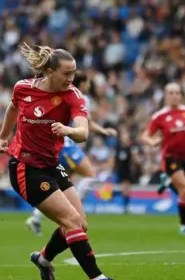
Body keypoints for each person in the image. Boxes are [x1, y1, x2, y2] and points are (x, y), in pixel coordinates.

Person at [0, 43, 121, 280]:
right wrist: (3, 137)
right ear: (50, 72)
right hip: (25, 168)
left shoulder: (73, 96)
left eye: (74, 73)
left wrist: (68, 130)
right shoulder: (23, 88)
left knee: (80, 224)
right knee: (72, 221)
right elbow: (12, 107)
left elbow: (83, 132)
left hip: (52, 166)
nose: (71, 78)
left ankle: (43, 259)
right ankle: (97, 279)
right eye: (66, 73)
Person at [24, 71, 117, 236]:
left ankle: (36, 218)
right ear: (82, 83)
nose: (89, 85)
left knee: (63, 183)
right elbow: (84, 121)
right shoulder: (78, 96)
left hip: (59, 145)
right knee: (90, 174)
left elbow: (86, 122)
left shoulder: (64, 94)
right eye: (87, 82)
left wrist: (101, 130)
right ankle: (73, 209)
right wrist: (101, 130)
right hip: (66, 146)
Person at [141, 83, 185, 235]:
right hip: (171, 157)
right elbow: (145, 136)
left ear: (181, 95)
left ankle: (168, 182)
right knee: (184, 190)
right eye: (171, 93)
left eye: (177, 93)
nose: (174, 96)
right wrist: (153, 142)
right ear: (166, 96)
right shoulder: (159, 116)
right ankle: (184, 226)